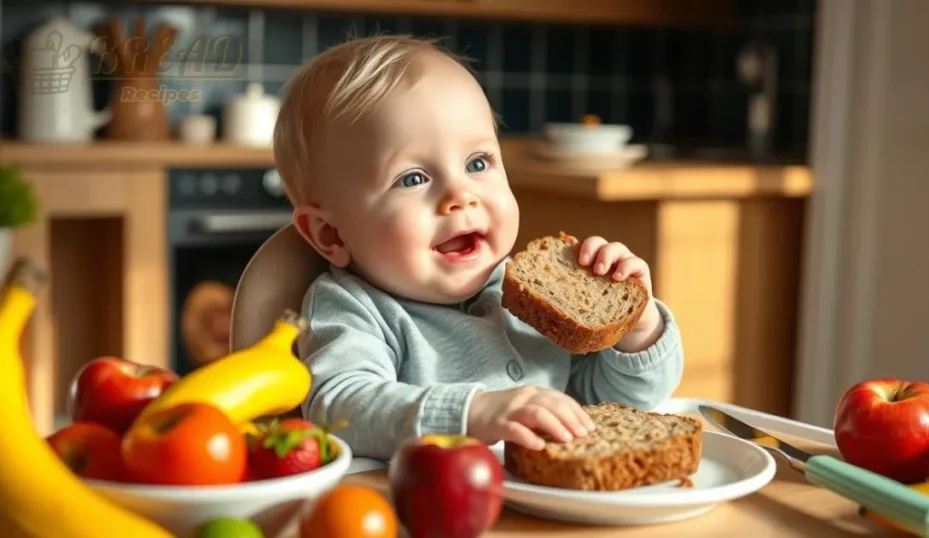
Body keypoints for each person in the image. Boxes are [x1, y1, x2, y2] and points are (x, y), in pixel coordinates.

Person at [272, 34, 684, 461]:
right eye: (413, 178)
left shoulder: (533, 302)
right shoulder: (353, 307)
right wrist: (470, 413)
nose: (461, 194)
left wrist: (636, 331)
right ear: (330, 235)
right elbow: (341, 408)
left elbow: (619, 404)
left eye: (478, 163)